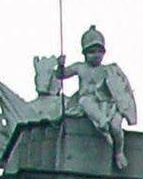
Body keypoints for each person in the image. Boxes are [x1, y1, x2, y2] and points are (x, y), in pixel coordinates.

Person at [58, 26, 137, 170]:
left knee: (116, 127)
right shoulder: (80, 67)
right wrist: (60, 65)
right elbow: (61, 75)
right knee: (89, 107)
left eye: (99, 51)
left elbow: (121, 90)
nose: (96, 55)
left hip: (109, 105)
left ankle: (119, 152)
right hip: (89, 101)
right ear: (85, 53)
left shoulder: (109, 70)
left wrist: (123, 108)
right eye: (92, 52)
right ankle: (105, 132)